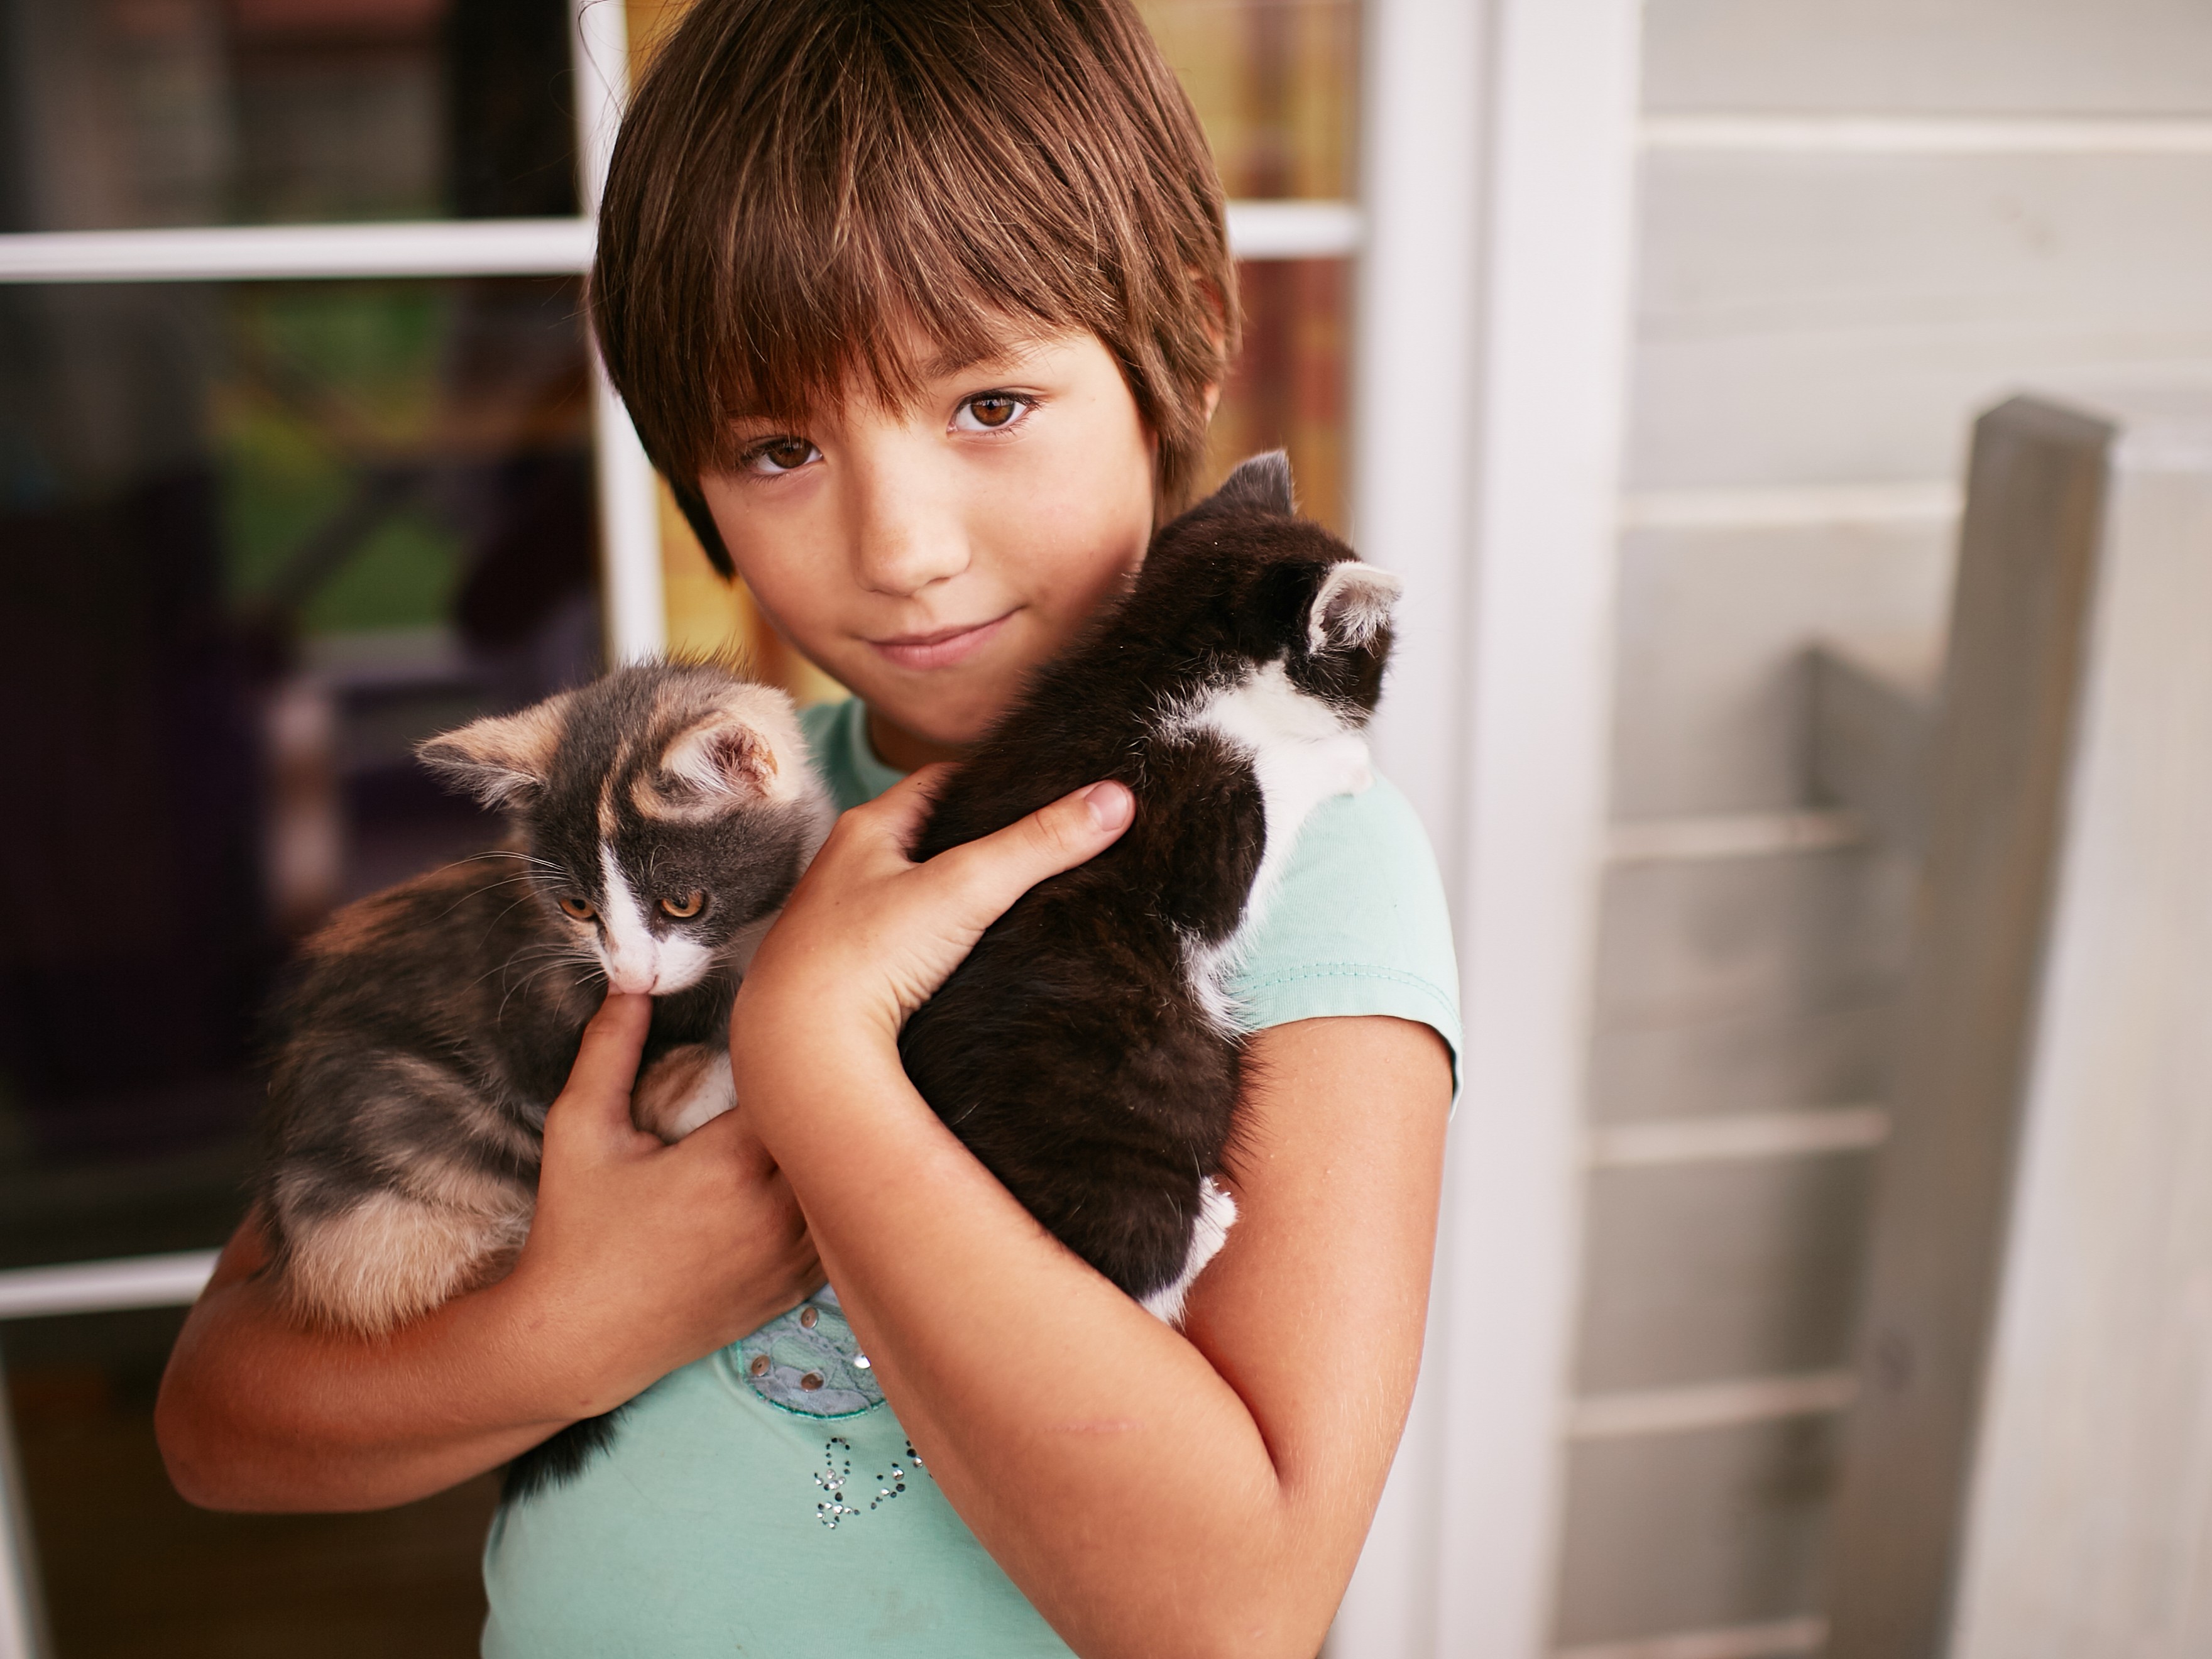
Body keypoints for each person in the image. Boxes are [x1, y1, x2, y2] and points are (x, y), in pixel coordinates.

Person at [156, 2, 1460, 1653]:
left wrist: (817, 1056)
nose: (901, 546)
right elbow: (218, 1426)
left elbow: (1232, 1612)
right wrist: (577, 1327)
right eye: (780, 446)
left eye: (990, 404)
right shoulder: (680, 845)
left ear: (1186, 341)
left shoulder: (1302, 877)